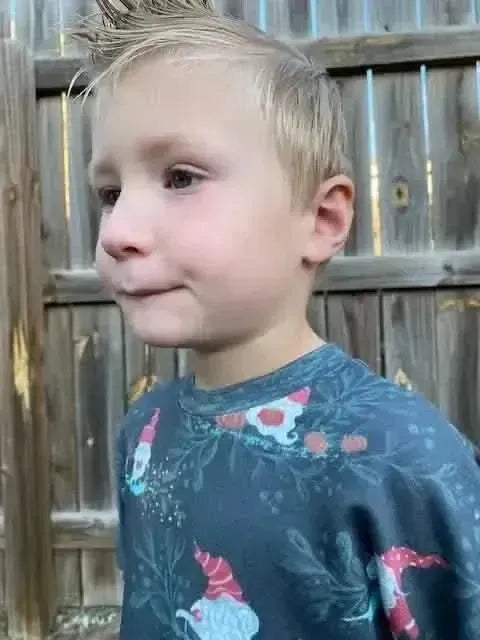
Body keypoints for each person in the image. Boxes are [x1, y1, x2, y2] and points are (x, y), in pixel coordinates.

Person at [74, 1, 480, 638]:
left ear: (320, 220)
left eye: (180, 177)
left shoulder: (406, 458)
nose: (117, 231)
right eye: (110, 193)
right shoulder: (144, 433)